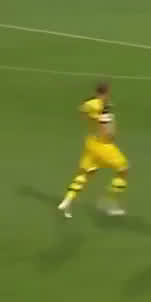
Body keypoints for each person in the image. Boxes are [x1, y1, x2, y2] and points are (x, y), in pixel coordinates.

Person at [58, 81, 128, 218]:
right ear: (106, 93)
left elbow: (81, 110)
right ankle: (110, 202)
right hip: (104, 146)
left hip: (91, 143)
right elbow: (108, 132)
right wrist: (111, 123)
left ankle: (67, 201)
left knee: (84, 174)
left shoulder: (90, 104)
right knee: (123, 169)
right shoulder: (104, 108)